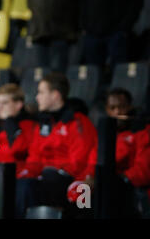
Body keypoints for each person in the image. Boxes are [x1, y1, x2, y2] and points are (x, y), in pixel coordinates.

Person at [68, 88, 150, 218]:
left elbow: (145, 172)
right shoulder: (105, 133)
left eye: (122, 107)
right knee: (81, 194)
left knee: (104, 196)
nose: (117, 112)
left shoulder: (144, 132)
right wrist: (89, 179)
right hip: (104, 187)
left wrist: (111, 179)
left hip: (133, 192)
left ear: (130, 107)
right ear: (107, 110)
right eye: (113, 108)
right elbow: (93, 162)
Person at [16, 72, 97, 218]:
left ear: (55, 95)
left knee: (39, 182)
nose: (37, 97)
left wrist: (49, 170)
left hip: (70, 181)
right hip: (46, 179)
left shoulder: (78, 122)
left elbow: (79, 162)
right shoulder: (43, 123)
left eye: (41, 92)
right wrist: (28, 172)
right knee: (16, 184)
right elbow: (35, 157)